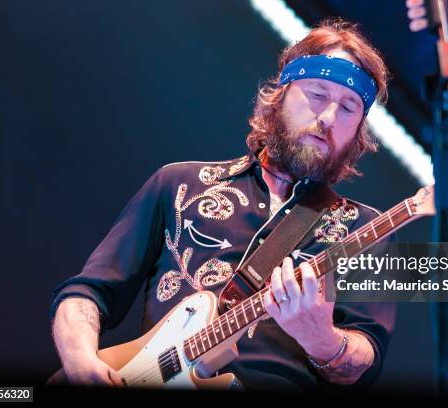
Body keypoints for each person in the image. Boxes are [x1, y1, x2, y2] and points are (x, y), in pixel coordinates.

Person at [50, 18, 396, 391]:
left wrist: (322, 339)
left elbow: (365, 362)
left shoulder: (365, 230)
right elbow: (87, 293)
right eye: (317, 93)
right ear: (281, 94)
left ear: (358, 132)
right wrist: (81, 361)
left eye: (348, 108)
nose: (328, 117)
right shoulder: (179, 184)